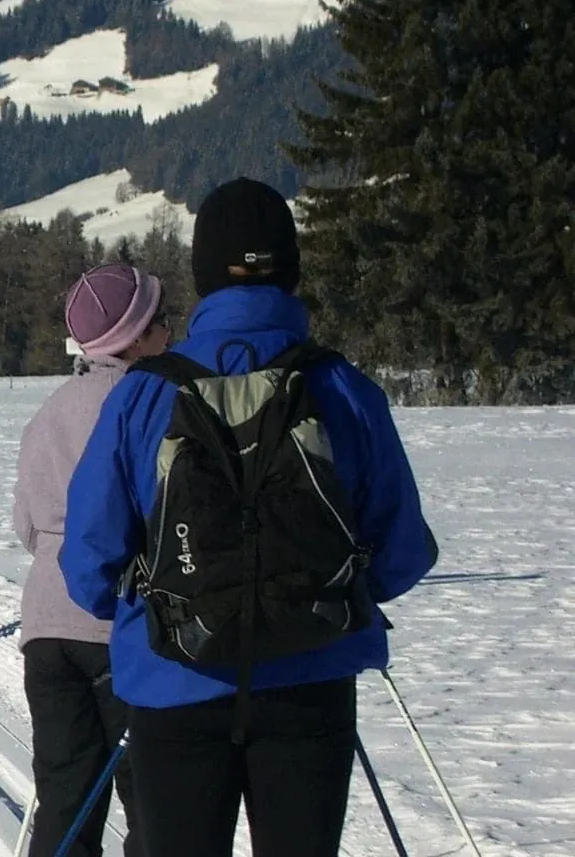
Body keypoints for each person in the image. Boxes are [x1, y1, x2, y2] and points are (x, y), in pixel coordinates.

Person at [60, 178, 438, 856]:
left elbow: (88, 563)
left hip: (174, 678)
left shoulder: (143, 395)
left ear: (203, 276)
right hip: (310, 678)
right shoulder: (343, 388)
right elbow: (404, 551)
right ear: (291, 270)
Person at [14, 264, 165, 857]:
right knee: (150, 797)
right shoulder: (152, 402)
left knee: (65, 797)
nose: (171, 333)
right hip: (117, 625)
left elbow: (26, 523)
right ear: (135, 335)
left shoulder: (51, 409)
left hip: (46, 628)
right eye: (161, 321)